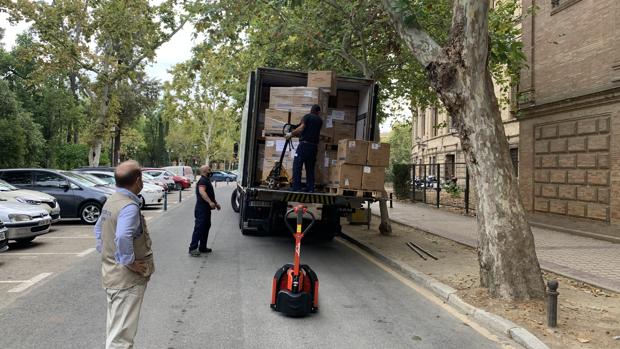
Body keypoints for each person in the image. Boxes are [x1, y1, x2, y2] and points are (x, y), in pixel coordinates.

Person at [94, 160, 154, 349]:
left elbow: (98, 230)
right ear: (138, 180)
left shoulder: (111, 201)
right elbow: (122, 236)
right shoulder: (129, 206)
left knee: (115, 330)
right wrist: (129, 262)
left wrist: (109, 255)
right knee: (121, 337)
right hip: (126, 281)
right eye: (142, 178)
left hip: (111, 275)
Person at [286, 104, 323, 192]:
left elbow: (302, 128)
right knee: (310, 168)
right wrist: (296, 129)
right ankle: (310, 188)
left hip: (304, 146)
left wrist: (291, 134)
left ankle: (296, 188)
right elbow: (309, 130)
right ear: (318, 112)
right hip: (313, 147)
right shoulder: (320, 121)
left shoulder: (307, 117)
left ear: (311, 110)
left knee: (297, 166)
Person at [189, 165, 221, 256]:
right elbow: (202, 192)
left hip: (206, 209)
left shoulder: (206, 180)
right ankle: (193, 248)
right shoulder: (202, 180)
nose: (210, 171)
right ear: (204, 171)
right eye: (209, 170)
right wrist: (210, 202)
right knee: (199, 228)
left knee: (206, 226)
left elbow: (210, 194)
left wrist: (215, 203)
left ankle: (202, 247)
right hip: (201, 209)